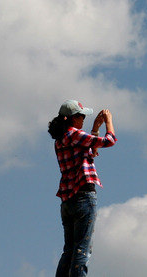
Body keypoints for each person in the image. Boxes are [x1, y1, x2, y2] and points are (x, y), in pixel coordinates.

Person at [48, 99, 116, 277]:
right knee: (82, 250)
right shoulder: (74, 134)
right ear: (73, 119)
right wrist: (109, 121)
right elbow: (109, 141)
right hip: (84, 196)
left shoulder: (60, 140)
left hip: (67, 200)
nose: (83, 119)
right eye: (81, 116)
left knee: (69, 250)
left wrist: (95, 128)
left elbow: (91, 149)